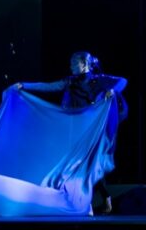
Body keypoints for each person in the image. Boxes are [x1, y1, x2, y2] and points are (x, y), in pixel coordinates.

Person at [12, 51, 128, 213]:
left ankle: (95, 201)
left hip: (89, 132)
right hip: (73, 131)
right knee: (75, 166)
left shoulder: (97, 80)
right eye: (71, 63)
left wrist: (112, 90)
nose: (71, 66)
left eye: (74, 63)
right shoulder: (70, 81)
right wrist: (25, 85)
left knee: (88, 166)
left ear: (84, 64)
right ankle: (90, 202)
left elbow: (122, 81)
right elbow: (49, 86)